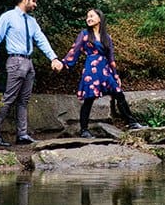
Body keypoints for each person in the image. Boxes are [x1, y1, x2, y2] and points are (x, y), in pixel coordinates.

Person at [0, 0, 63, 148]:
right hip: (15, 61)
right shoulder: (8, 17)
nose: (35, 4)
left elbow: (41, 39)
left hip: (29, 63)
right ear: (25, 0)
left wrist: (53, 58)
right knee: (9, 98)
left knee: (24, 100)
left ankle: (22, 134)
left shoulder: (31, 21)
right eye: (33, 1)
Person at [61, 8, 145, 138]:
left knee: (119, 94)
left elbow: (111, 57)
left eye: (91, 16)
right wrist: (64, 63)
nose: (88, 18)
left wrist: (115, 75)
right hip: (91, 70)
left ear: (100, 18)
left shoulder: (107, 37)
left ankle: (132, 122)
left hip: (105, 69)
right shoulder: (84, 34)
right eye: (87, 16)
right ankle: (84, 130)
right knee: (89, 99)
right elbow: (75, 50)